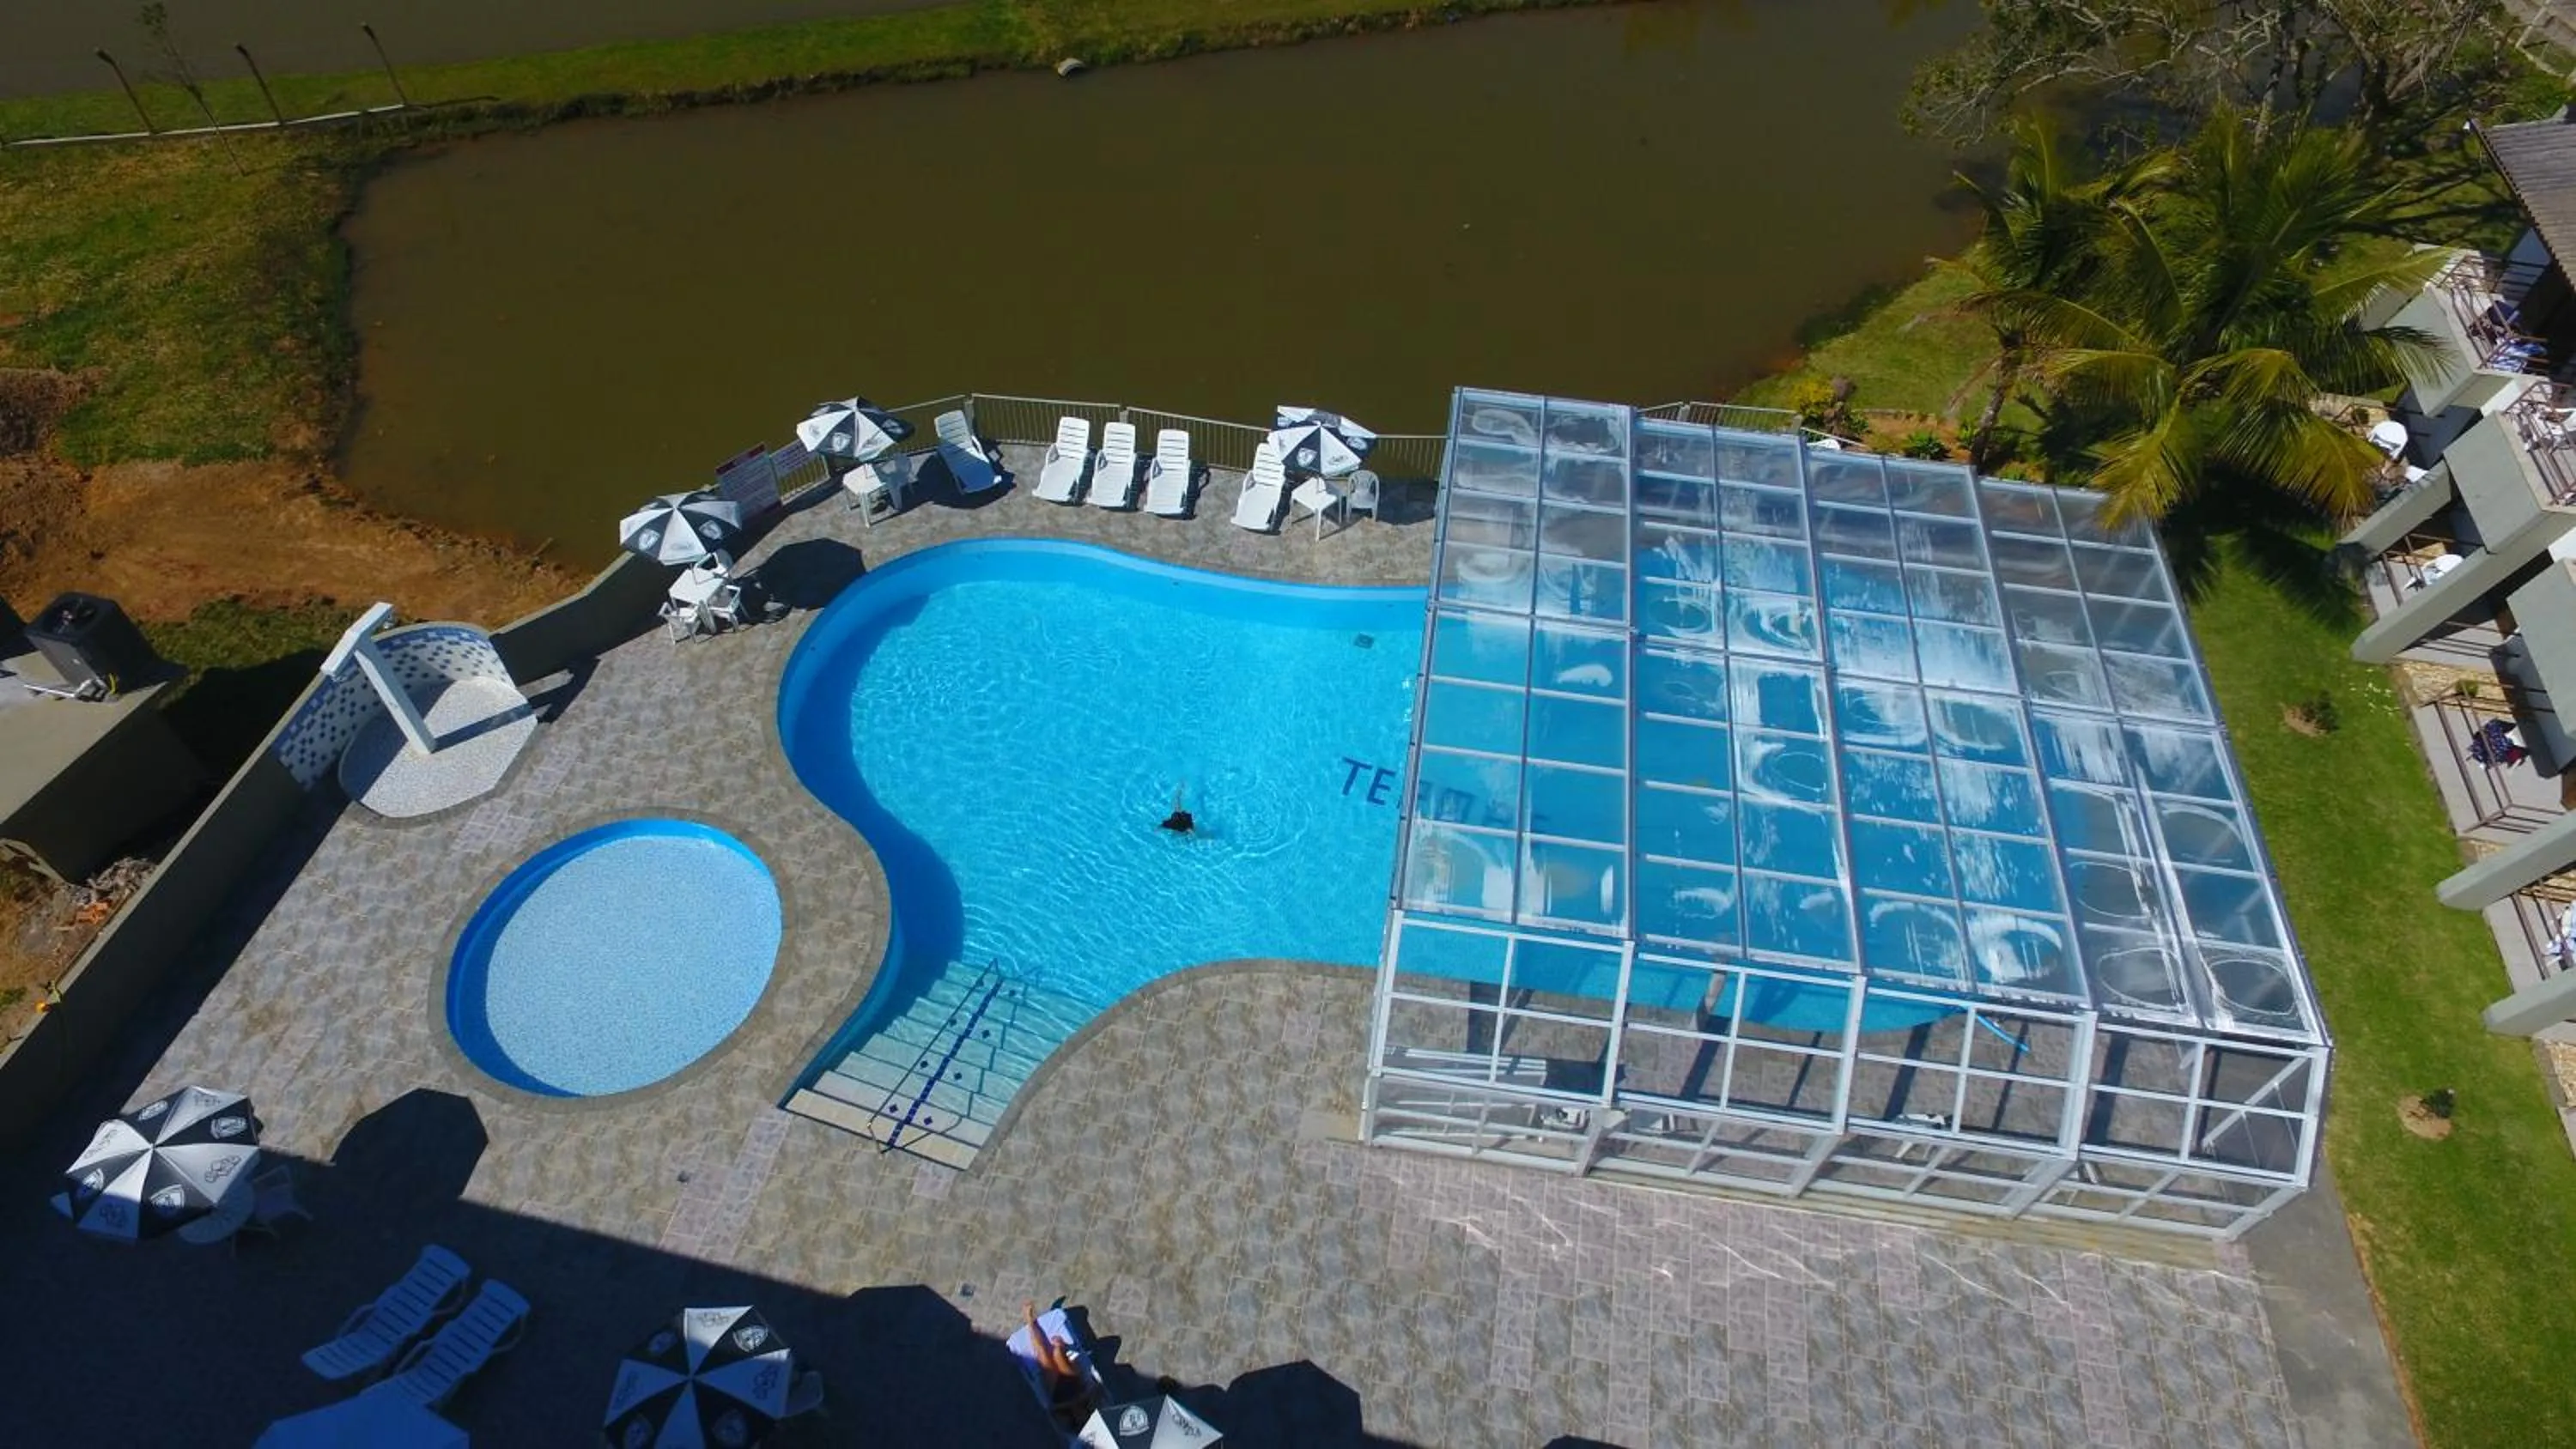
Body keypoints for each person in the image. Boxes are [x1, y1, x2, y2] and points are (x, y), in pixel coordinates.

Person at [1024, 1300, 1100, 1429]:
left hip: (1057, 1391)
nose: (1080, 1415)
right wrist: (1082, 1397)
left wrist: (1067, 1404)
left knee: (1043, 1353)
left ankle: (1029, 1322)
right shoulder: (1088, 1402)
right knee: (1057, 1352)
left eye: (1078, 1418)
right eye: (1083, 1416)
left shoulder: (1062, 1413)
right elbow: (1094, 1388)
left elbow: (1049, 1409)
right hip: (1073, 1383)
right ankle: (1061, 1347)